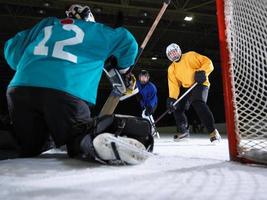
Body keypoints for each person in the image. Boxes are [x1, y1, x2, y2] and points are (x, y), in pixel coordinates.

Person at [2, 4, 151, 164]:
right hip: (66, 91)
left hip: (20, 90)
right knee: (78, 136)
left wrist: (30, 66)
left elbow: (12, 48)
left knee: (26, 143)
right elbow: (127, 42)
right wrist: (123, 69)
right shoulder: (96, 30)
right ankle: (96, 141)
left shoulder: (47, 24)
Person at [165, 43, 221, 143]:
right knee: (176, 107)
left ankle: (213, 132)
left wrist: (202, 71)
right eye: (170, 54)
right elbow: (174, 85)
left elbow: (208, 62)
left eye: (174, 51)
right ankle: (184, 132)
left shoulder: (190, 56)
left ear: (179, 50)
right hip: (188, 88)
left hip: (200, 84)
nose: (173, 54)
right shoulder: (171, 68)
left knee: (198, 102)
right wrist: (172, 98)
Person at [136, 70, 159, 138]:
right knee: (144, 115)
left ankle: (152, 129)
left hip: (152, 103)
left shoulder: (152, 87)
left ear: (148, 78)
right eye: (142, 77)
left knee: (146, 114)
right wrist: (137, 95)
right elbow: (133, 89)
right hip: (143, 103)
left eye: (145, 77)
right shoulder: (137, 84)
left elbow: (153, 98)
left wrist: (150, 106)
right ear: (139, 77)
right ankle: (151, 129)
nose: (143, 79)